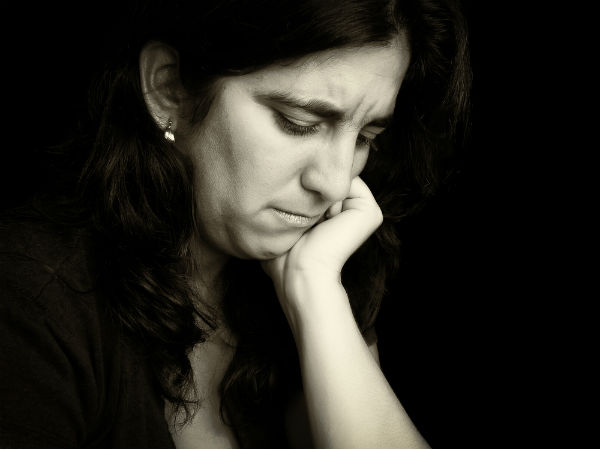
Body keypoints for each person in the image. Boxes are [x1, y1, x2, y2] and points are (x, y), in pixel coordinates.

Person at [0, 0, 471, 447]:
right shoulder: (31, 296)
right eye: (299, 122)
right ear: (168, 89)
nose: (334, 182)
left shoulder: (323, 273)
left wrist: (315, 292)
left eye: (366, 136)